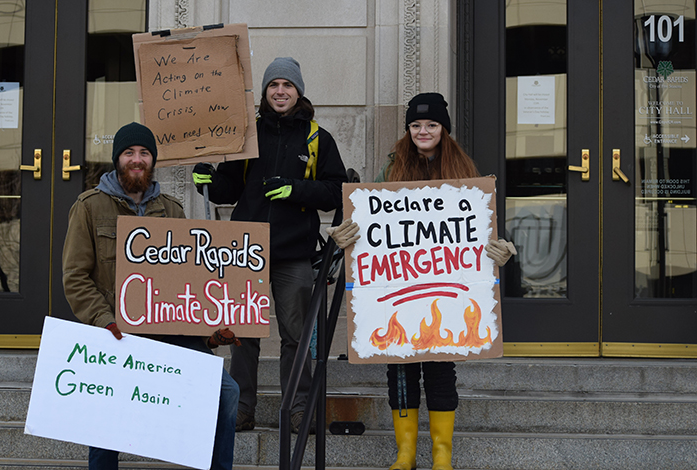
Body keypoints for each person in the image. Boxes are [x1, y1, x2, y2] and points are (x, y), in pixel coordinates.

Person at [326, 92, 516, 470]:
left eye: (431, 125)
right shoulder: (392, 169)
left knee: (441, 368)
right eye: (415, 125)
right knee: (400, 366)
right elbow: (367, 221)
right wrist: (343, 233)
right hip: (399, 291)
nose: (422, 131)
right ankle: (406, 452)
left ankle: (442, 454)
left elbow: (482, 229)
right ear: (408, 129)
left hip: (447, 292)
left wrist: (502, 250)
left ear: (444, 129)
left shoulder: (465, 173)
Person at [62, 122, 241, 470]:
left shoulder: (173, 210)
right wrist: (107, 321)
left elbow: (190, 283)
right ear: (117, 160)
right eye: (129, 153)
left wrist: (210, 333)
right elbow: (75, 278)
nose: (137, 159)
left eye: (144, 153)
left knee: (226, 392)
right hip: (115, 336)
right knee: (106, 413)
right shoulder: (89, 207)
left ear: (152, 161)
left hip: (169, 336)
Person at [191, 57, 348, 433]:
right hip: (246, 252)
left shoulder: (316, 138)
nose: (280, 91)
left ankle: (297, 409)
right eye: (274, 85)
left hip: (294, 254)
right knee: (241, 336)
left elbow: (337, 192)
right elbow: (228, 189)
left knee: (296, 335)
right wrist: (206, 180)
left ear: (299, 92)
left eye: (287, 86)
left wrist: (297, 189)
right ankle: (241, 408)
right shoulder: (245, 134)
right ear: (264, 92)